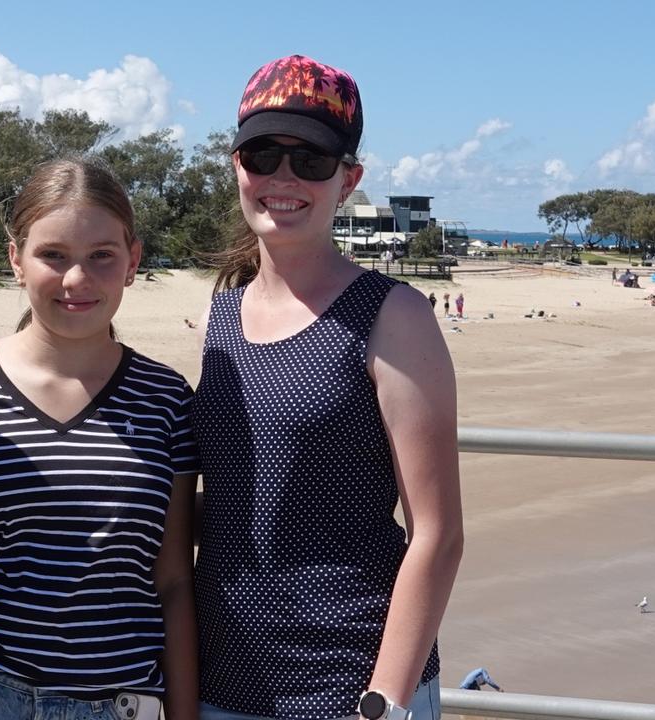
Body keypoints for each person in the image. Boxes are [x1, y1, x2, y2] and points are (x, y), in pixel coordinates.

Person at [193, 55, 462, 720]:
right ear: (236, 166)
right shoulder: (221, 313)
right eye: (262, 155)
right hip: (221, 682)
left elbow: (437, 533)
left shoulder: (392, 314)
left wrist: (385, 702)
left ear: (348, 180)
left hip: (348, 690)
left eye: (310, 160)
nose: (282, 178)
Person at [0, 159, 199, 719]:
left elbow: (173, 581)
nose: (76, 280)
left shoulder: (167, 399)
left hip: (115, 702)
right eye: (54, 255)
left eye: (101, 257)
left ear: (132, 261)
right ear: (16, 258)